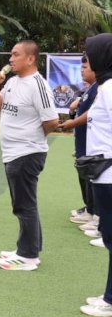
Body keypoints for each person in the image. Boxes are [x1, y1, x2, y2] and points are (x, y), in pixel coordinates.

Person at [0, 40, 58, 271]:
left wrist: (33, 139)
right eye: (11, 54)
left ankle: (28, 257)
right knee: (23, 203)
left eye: (16, 54)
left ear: (30, 59)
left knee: (24, 205)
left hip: (27, 153)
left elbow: (52, 121)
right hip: (12, 153)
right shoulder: (12, 81)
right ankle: (27, 248)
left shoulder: (37, 85)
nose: (10, 59)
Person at [80, 34, 112, 316]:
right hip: (103, 173)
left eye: (91, 54)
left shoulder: (111, 88)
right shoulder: (105, 86)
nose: (88, 59)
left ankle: (111, 300)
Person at [61, 57, 98, 231]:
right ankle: (90, 210)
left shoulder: (101, 88)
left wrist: (73, 123)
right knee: (85, 174)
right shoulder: (90, 88)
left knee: (93, 176)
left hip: (92, 142)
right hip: (83, 140)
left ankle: (97, 215)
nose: (82, 70)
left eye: (85, 67)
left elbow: (94, 112)